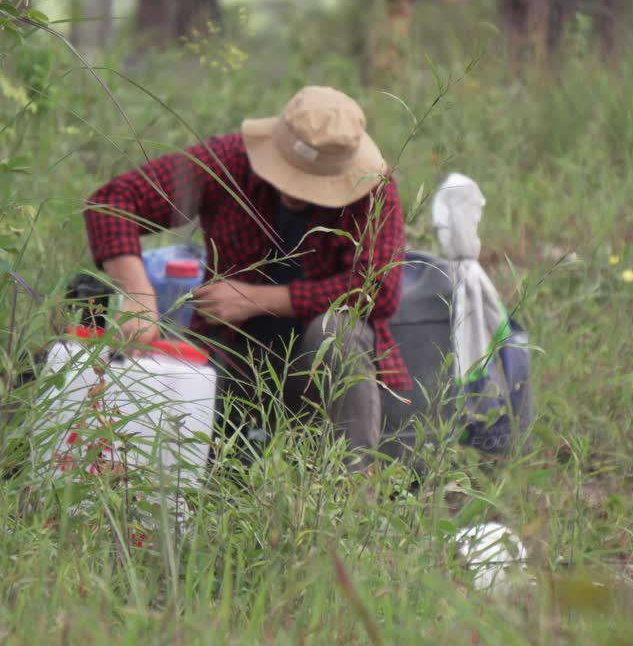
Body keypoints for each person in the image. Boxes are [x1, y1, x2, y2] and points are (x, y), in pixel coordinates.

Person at [83, 86, 409, 471]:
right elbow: (113, 202)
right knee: (207, 462)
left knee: (336, 330)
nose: (295, 191)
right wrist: (138, 294)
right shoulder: (229, 162)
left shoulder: (371, 190)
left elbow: (378, 291)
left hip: (317, 370)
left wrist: (257, 299)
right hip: (232, 353)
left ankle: (353, 489)